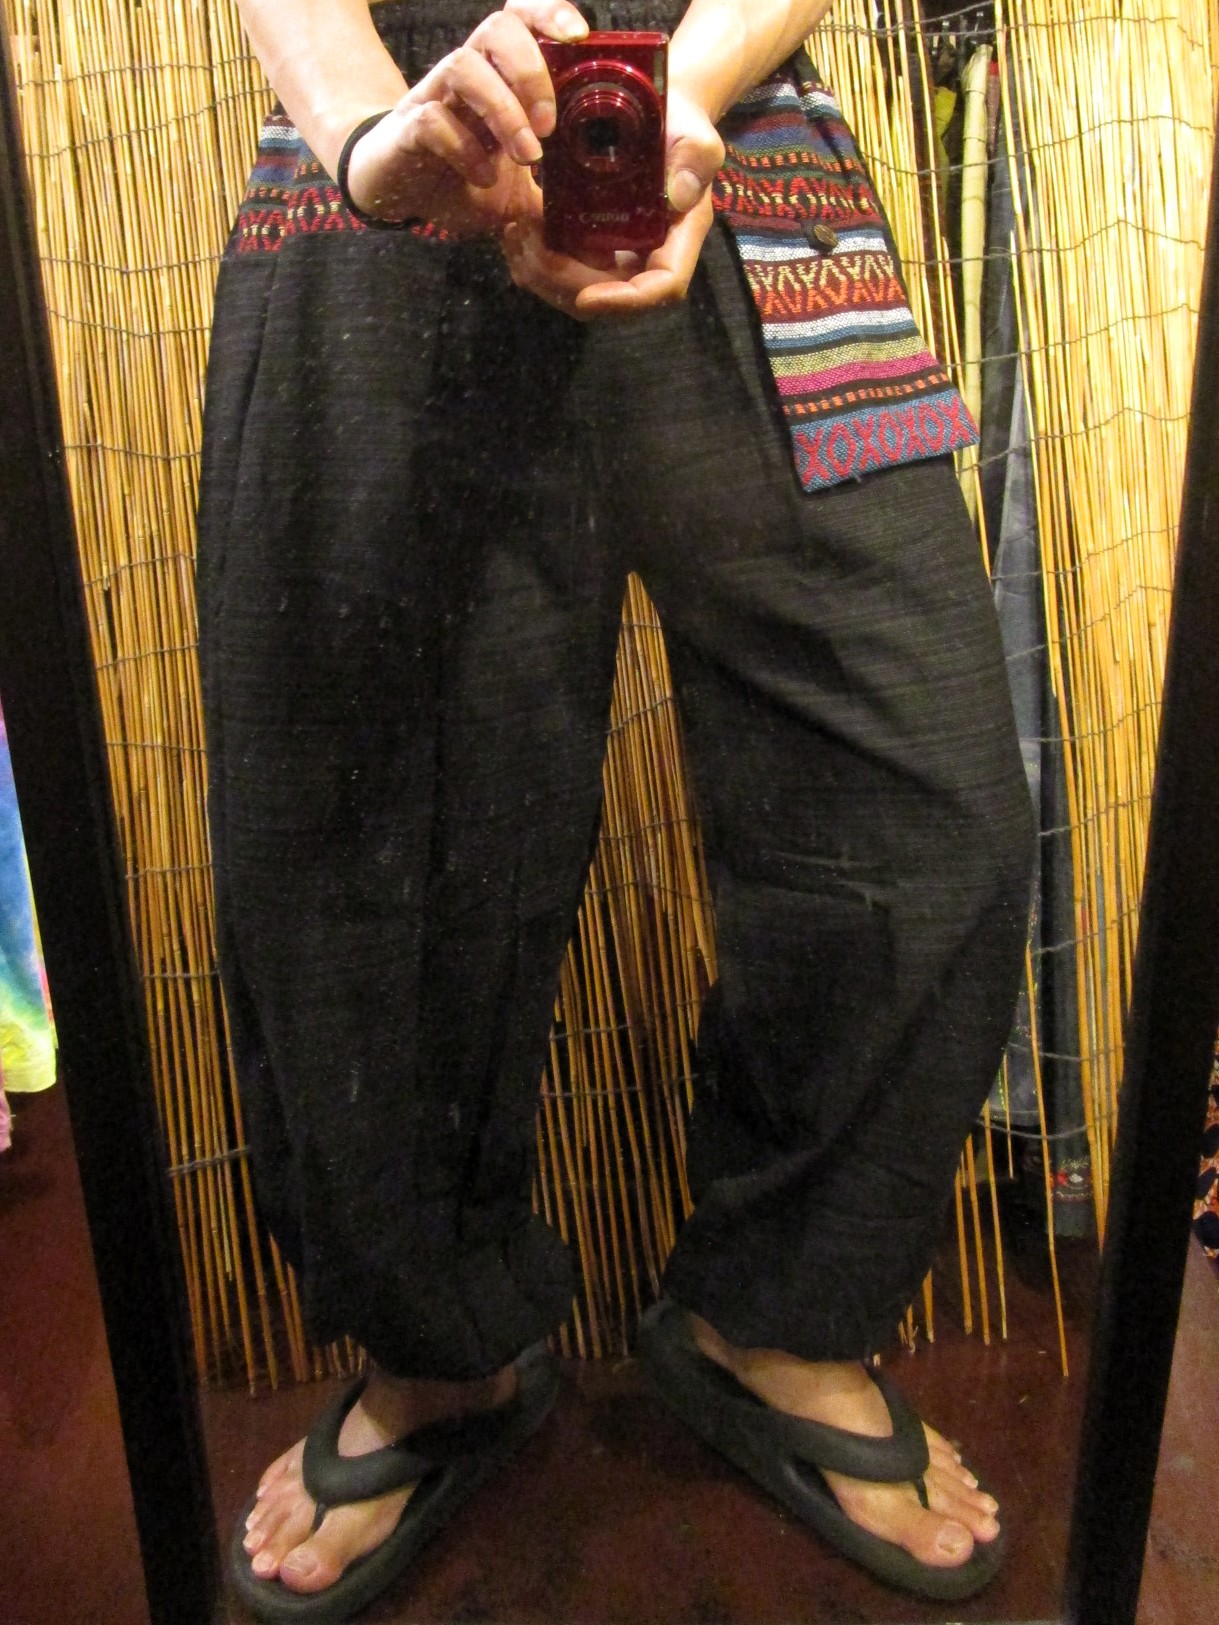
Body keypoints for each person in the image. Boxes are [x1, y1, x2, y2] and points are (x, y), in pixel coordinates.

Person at [197, 0, 1035, 1618]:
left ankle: (774, 1318)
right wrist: (372, 143)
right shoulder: (375, 148)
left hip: (738, 134)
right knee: (366, 826)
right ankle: (440, 1349)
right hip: (378, 155)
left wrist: (677, 96)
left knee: (924, 794)